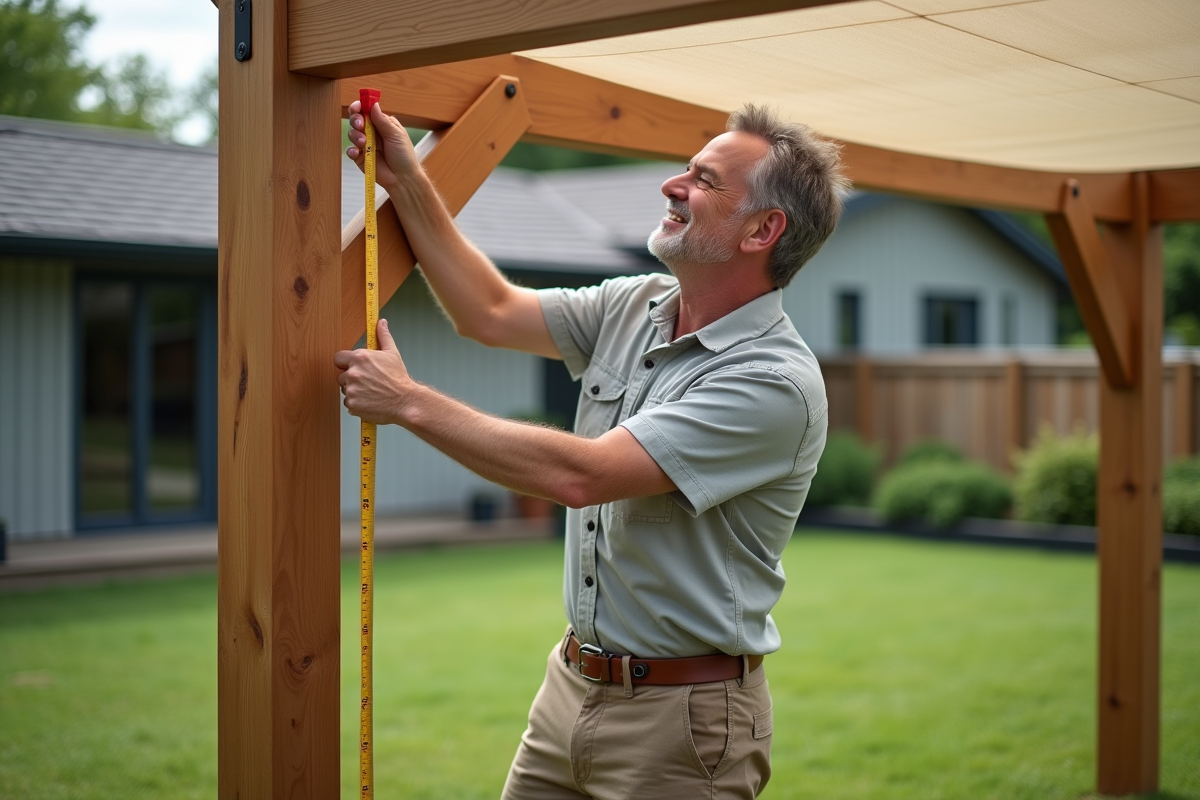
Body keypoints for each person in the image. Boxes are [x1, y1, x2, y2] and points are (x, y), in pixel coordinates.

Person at [336, 101, 848, 799]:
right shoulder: (636, 305)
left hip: (682, 724)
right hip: (568, 687)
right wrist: (407, 179)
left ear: (764, 229)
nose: (673, 184)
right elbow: (489, 311)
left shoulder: (771, 382)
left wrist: (409, 402)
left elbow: (584, 475)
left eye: (704, 180)